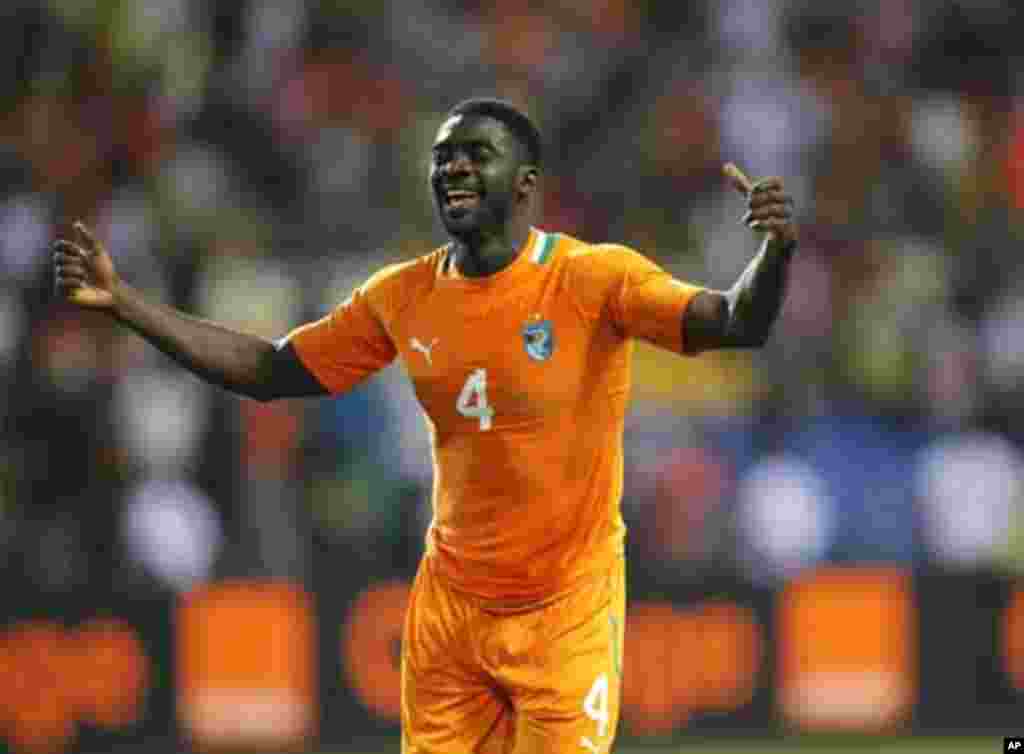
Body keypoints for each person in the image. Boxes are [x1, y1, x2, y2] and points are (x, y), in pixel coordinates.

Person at [53, 97, 796, 754]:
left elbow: (734, 322)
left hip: (565, 610)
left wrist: (776, 253)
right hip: (451, 612)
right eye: (444, 158)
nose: (454, 170)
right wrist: (127, 305)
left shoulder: (594, 279)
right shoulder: (403, 297)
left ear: (528, 184)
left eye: (478, 154)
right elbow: (274, 370)